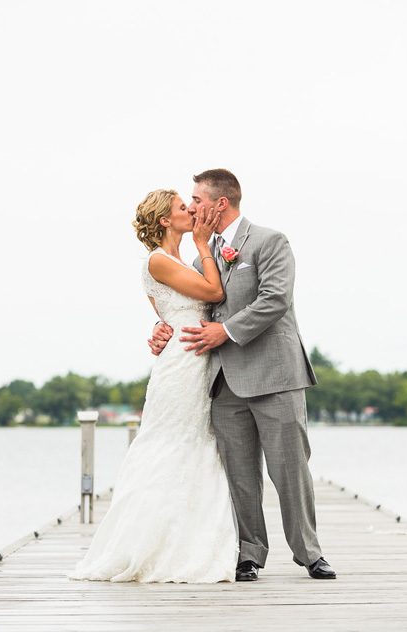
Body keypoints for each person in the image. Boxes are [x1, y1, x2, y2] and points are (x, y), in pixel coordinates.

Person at [151, 169, 335, 581]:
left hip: (275, 375)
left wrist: (226, 330)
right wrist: (162, 328)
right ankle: (249, 553)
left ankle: (309, 553)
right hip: (221, 381)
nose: (192, 206)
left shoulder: (270, 241)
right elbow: (191, 311)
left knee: (290, 468)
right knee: (239, 474)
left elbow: (275, 300)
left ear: (220, 203)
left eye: (197, 200)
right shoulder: (200, 258)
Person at [70, 189, 238, 583]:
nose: (192, 211)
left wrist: (161, 327)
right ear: (166, 220)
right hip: (182, 364)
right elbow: (214, 294)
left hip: (194, 359)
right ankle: (149, 545)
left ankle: (189, 541)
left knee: (195, 447)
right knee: (169, 446)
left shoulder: (179, 260)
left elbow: (171, 314)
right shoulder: (158, 261)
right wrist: (203, 243)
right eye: (184, 208)